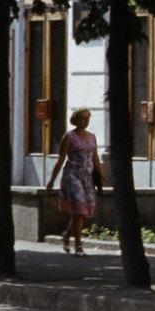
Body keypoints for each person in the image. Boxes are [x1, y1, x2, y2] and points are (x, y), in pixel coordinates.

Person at [45, 107, 102, 255]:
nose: (85, 121)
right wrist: (52, 180)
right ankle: (78, 245)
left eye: (87, 118)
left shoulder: (92, 136)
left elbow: (95, 157)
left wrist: (101, 176)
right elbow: (61, 159)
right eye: (82, 118)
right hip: (72, 176)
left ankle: (67, 234)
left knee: (84, 212)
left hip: (87, 178)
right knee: (78, 209)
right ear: (75, 120)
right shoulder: (69, 137)